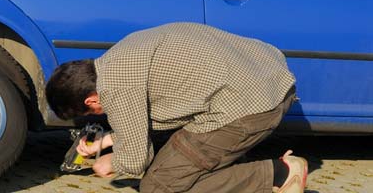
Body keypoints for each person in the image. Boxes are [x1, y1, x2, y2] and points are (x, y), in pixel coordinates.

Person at [45, 22, 308, 193]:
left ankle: (278, 174)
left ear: (90, 100)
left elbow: (135, 160)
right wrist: (104, 141)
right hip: (271, 79)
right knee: (174, 163)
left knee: (158, 185)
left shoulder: (115, 88)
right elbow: (142, 120)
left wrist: (109, 161)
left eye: (92, 112)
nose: (101, 114)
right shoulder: (117, 58)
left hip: (250, 108)